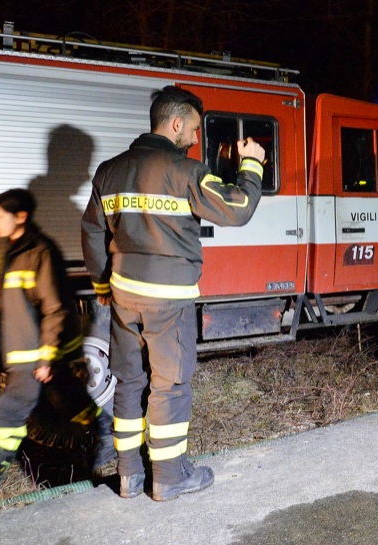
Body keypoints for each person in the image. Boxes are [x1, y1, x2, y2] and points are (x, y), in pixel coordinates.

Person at [81, 85, 265, 501]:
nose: (197, 139)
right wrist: (251, 165)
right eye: (195, 129)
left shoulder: (108, 172)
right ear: (176, 123)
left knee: (128, 382)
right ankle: (168, 477)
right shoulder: (185, 172)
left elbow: (92, 232)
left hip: (124, 295)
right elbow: (237, 208)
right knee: (171, 384)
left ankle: (129, 476)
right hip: (168, 299)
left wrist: (101, 283)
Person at [0, 189, 116, 500]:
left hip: (37, 355)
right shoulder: (15, 251)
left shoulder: (39, 253)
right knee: (70, 403)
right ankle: (104, 431)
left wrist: (46, 357)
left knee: (9, 415)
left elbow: (54, 308)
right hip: (27, 355)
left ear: (20, 217)